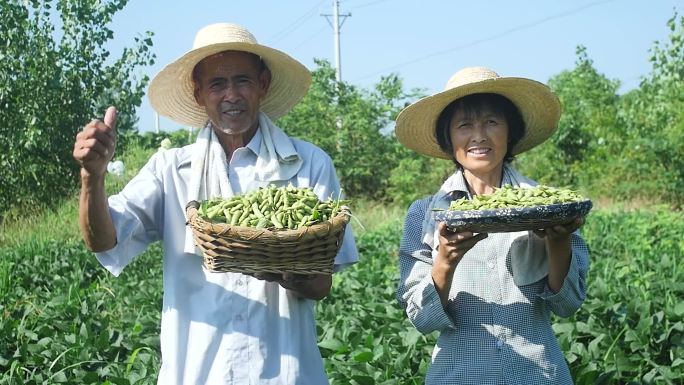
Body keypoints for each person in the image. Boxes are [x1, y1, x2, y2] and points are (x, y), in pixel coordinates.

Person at [72, 22, 358, 385]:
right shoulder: (171, 170)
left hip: (285, 373)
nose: (231, 95)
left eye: (243, 81)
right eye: (217, 84)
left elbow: (321, 284)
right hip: (197, 372)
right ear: (198, 93)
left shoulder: (308, 164)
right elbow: (104, 240)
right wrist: (91, 177)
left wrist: (282, 267)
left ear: (263, 85)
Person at [394, 67, 589, 384]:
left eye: (491, 122)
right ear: (449, 138)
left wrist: (558, 241)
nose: (478, 135)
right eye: (464, 125)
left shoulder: (546, 206)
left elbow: (568, 304)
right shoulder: (425, 214)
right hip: (460, 374)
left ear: (510, 132)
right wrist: (445, 261)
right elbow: (421, 319)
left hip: (537, 373)